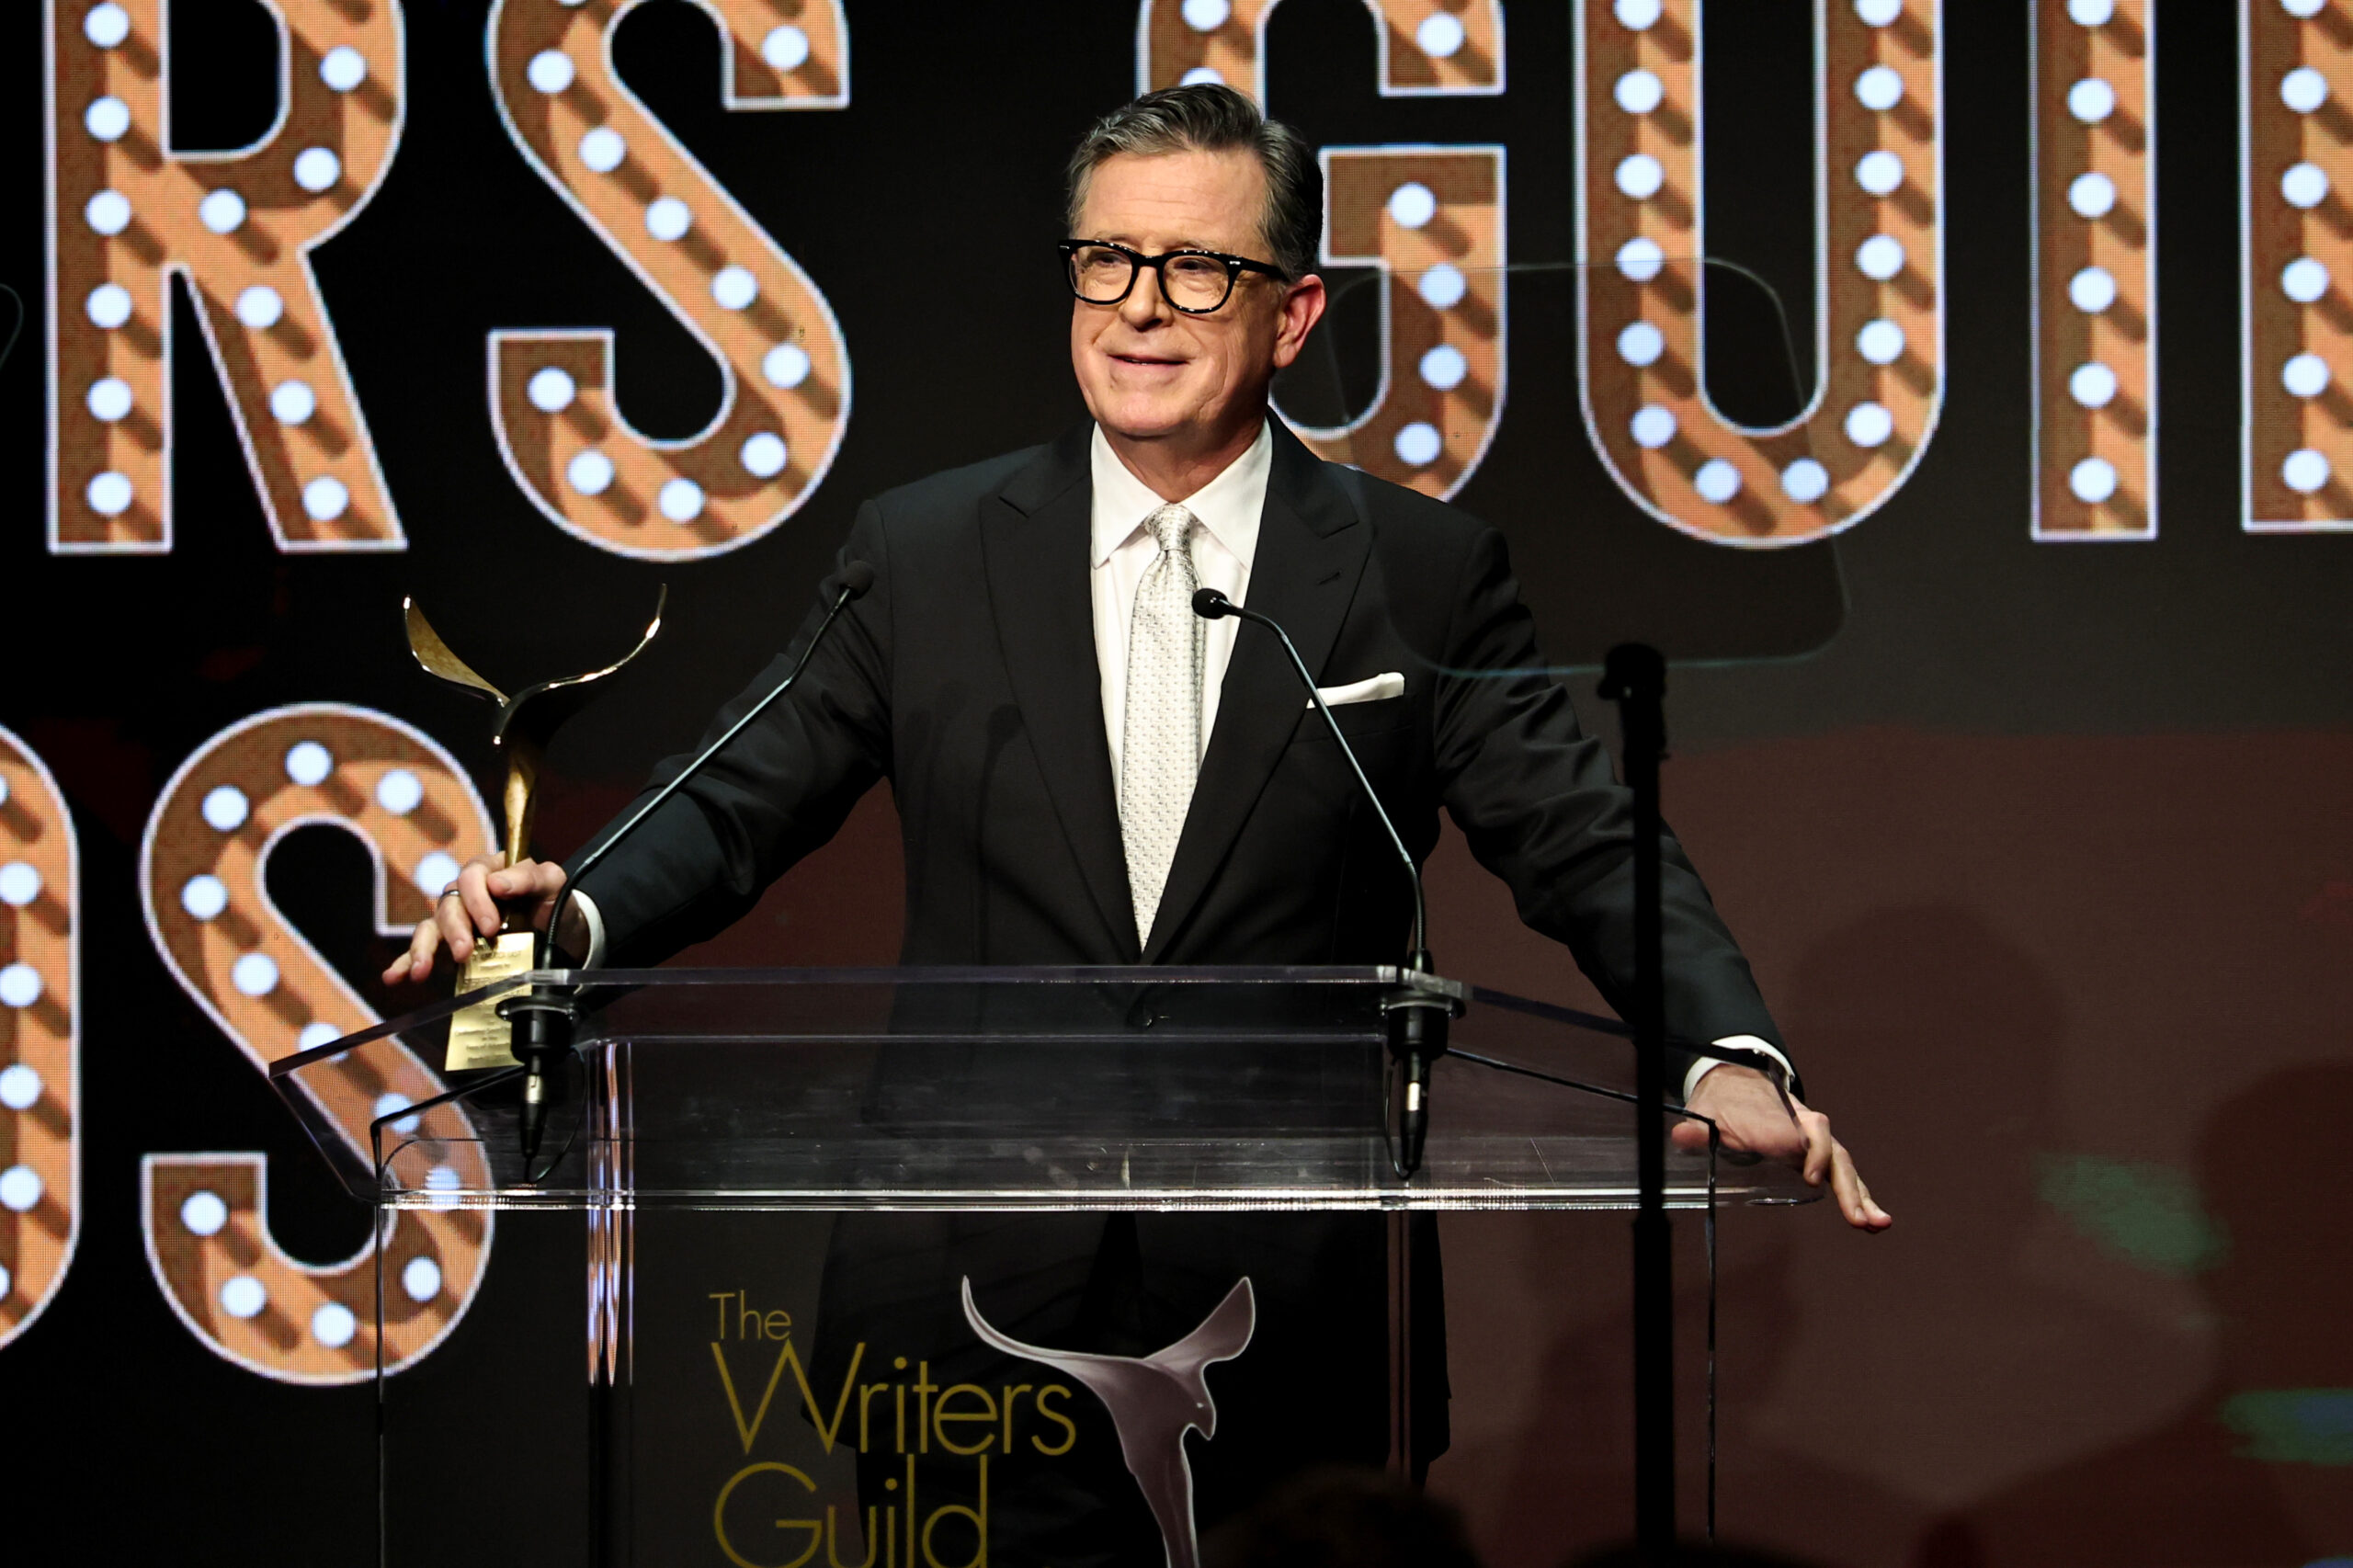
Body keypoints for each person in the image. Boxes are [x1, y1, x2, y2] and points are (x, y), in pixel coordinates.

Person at [388, 81, 1888, 1550]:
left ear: (1291, 314)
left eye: (1197, 268)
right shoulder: (928, 554)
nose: (1140, 307)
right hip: (966, 1321)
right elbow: (737, 791)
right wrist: (572, 915)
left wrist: (1725, 1046)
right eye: (1106, 259)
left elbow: (1579, 835)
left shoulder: (1412, 574)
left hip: (1288, 1327)